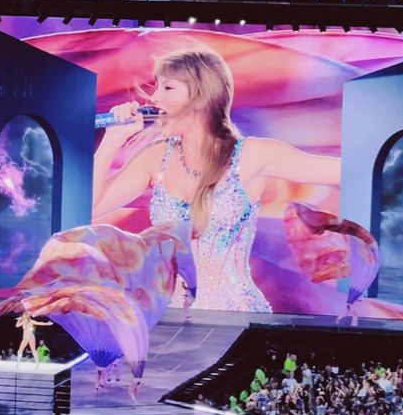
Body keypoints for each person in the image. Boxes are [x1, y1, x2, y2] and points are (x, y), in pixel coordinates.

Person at [93, 42, 340, 313]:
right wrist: (112, 140)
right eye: (157, 87)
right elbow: (91, 207)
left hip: (234, 320)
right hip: (169, 321)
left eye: (168, 87)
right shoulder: (155, 157)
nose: (155, 98)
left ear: (201, 96)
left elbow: (345, 172)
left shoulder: (253, 155)